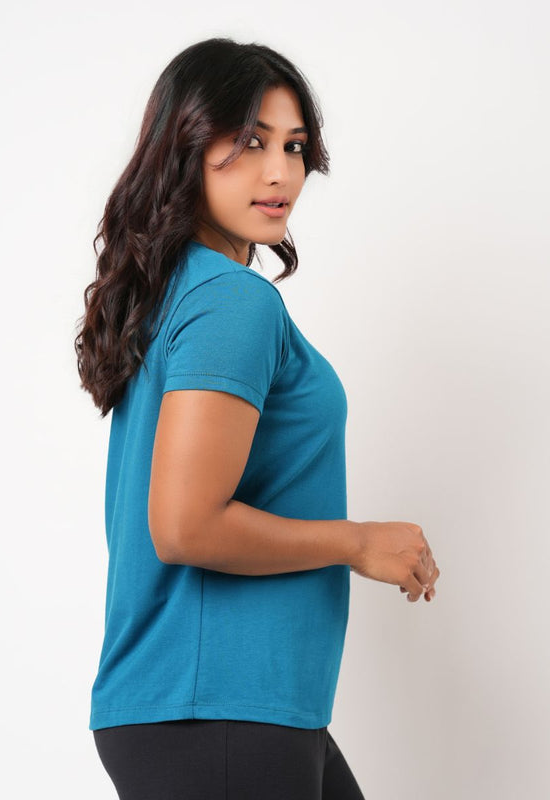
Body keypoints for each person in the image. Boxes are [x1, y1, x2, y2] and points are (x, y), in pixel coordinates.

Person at [74, 36, 440, 800]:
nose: (281, 172)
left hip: (223, 709)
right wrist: (358, 542)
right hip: (219, 710)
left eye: (295, 146)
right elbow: (184, 524)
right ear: (185, 148)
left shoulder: (181, 290)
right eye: (249, 142)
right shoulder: (231, 299)